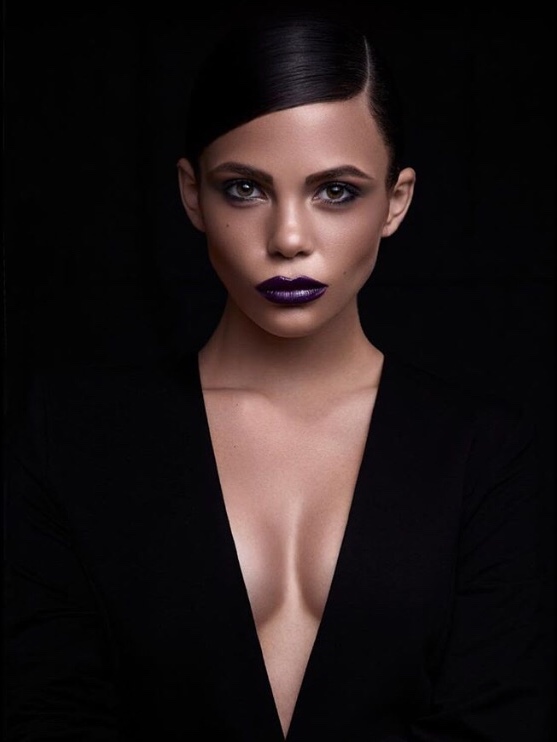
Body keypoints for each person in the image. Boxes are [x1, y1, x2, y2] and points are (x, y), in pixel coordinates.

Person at [4, 8, 549, 741]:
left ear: (395, 202)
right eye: (244, 188)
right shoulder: (71, 439)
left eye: (335, 191)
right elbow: (47, 711)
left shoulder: (484, 452)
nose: (288, 238)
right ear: (192, 194)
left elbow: (495, 722)